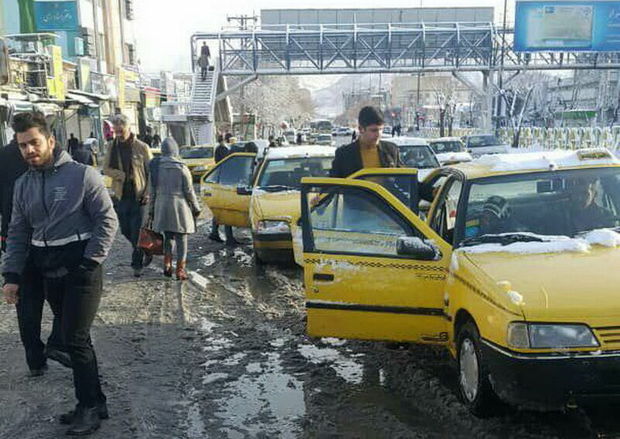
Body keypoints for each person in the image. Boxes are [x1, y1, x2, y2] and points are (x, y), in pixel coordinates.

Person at [2, 111, 118, 435]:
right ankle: (97, 399)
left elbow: (107, 221)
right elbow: (18, 231)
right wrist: (11, 276)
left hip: (81, 269)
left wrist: (90, 263)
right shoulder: (22, 185)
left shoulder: (82, 175)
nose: (29, 150)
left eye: (34, 143)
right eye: (22, 145)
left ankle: (88, 407)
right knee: (74, 337)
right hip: (46, 268)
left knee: (74, 339)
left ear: (50, 140)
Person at [0, 133, 69, 375]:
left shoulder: (3, 156)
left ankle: (35, 360)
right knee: (65, 299)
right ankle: (57, 342)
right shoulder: (51, 155)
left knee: (26, 304)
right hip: (48, 240)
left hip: (15, 239)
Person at [103, 114, 153, 277]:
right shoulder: (112, 147)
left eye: (121, 131)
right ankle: (145, 249)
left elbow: (151, 172)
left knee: (137, 231)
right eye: (116, 132)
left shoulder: (142, 147)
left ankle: (136, 264)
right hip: (121, 194)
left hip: (139, 196)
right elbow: (106, 169)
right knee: (125, 229)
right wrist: (121, 175)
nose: (118, 135)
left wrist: (148, 193)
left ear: (128, 128)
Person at [149, 138, 201, 280]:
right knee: (181, 238)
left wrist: (151, 210)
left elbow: (152, 191)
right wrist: (196, 207)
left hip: (162, 206)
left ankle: (167, 265)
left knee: (168, 237)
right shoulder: (181, 167)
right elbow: (189, 191)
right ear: (175, 150)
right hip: (179, 207)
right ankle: (180, 270)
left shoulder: (156, 168)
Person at [330, 106, 400, 178]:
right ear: (361, 129)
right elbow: (333, 185)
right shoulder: (344, 154)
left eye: (381, 129)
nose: (378, 134)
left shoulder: (391, 150)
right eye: (373, 130)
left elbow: (403, 181)